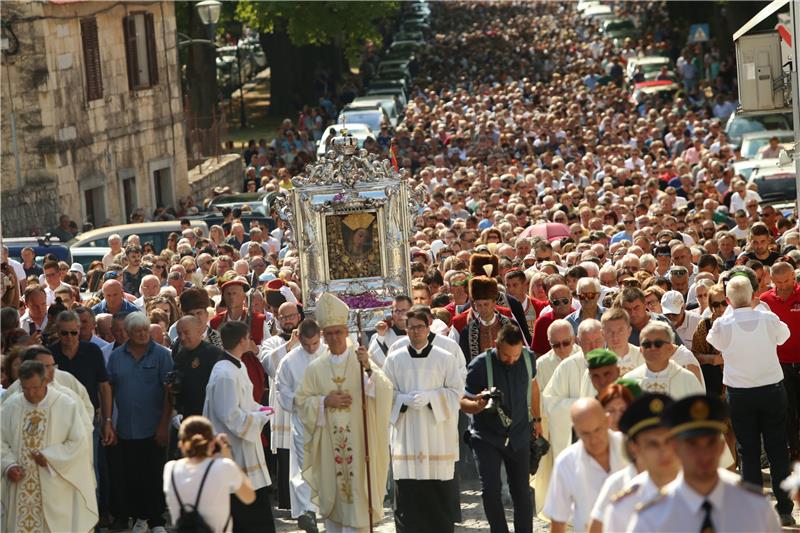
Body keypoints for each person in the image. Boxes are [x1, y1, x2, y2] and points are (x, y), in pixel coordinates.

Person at [295, 293, 394, 533]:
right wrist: (325, 401)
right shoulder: (315, 368)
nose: (333, 337)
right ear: (322, 336)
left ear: (346, 331)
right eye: (328, 333)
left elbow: (384, 390)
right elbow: (301, 401)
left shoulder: (360, 359)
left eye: (338, 332)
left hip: (360, 443)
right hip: (330, 445)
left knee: (359, 499)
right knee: (336, 501)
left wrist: (369, 367)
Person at [706, 275, 795, 524]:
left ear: (727, 300)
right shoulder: (767, 318)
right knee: (777, 449)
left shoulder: (725, 324)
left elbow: (715, 340)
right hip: (771, 391)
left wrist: (729, 311)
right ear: (754, 296)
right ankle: (784, 509)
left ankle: (754, 510)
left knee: (749, 452)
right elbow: (783, 336)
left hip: (742, 394)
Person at [629, 395, 782, 532]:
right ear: (675, 448)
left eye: (711, 443)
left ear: (722, 446)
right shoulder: (652, 518)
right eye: (692, 444)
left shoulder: (755, 507)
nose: (703, 454)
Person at [384, 306, 465, 533]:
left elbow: (457, 391)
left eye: (420, 327)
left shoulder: (445, 358)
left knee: (437, 495)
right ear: (406, 329)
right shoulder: (395, 359)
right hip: (407, 435)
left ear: (428, 327)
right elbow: (384, 393)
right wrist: (401, 399)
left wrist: (432, 398)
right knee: (408, 497)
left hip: (436, 434)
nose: (416, 332)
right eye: (411, 328)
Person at [1, 360, 98, 532]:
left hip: (55, 485)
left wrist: (50, 457)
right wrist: (9, 466)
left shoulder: (65, 405)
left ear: (45, 381)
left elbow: (78, 442)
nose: (30, 393)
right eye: (25, 388)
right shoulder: (11, 405)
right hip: (19, 484)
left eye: (35, 388)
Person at [461, 324, 535, 533]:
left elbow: (533, 386)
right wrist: (478, 405)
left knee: (522, 491)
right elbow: (463, 401)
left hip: (519, 434)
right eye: (506, 356)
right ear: (497, 345)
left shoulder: (529, 359)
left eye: (516, 355)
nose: (511, 360)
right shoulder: (480, 365)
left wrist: (535, 420)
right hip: (486, 437)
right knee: (491, 490)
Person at [204, 320, 275, 532]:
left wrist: (261, 409)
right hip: (234, 450)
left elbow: (245, 401)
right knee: (243, 510)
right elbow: (230, 415)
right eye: (248, 338)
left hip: (245, 448)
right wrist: (259, 419)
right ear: (242, 340)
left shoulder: (238, 364)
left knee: (256, 505)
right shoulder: (224, 373)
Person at [106, 312, 173, 533]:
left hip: (154, 427)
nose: (143, 334)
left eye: (146, 330)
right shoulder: (116, 357)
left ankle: (156, 520)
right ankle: (139, 516)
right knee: (131, 475)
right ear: (128, 333)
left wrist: (164, 425)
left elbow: (169, 393)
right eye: (138, 331)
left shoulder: (162, 355)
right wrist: (108, 422)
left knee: (154, 474)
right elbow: (109, 390)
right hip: (126, 428)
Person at [589, 393, 679, 533]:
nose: (664, 451)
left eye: (669, 441)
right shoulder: (622, 496)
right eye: (653, 444)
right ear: (634, 447)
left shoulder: (701, 487)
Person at [543, 397, 628, 533]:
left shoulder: (631, 449)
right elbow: (558, 522)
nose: (593, 440)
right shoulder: (566, 463)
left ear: (607, 421)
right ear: (575, 430)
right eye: (585, 434)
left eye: (597, 430)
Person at [163, 416, 256, 533]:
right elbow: (249, 497)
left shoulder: (170, 468)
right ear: (212, 443)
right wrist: (227, 455)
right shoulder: (224, 467)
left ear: (181, 443)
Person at [275, 319, 326, 532]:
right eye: (306, 344)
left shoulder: (331, 353)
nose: (311, 348)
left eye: (315, 343)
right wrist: (297, 400)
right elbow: (281, 389)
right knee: (306, 467)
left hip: (330, 420)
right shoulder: (289, 361)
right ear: (299, 338)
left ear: (320, 337)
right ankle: (308, 511)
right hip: (303, 420)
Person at [759, 261, 800, 461]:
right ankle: (792, 452)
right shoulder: (765, 300)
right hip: (779, 365)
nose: (784, 286)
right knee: (786, 410)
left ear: (794, 277)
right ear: (772, 281)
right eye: (779, 282)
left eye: (787, 281)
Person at [622, 321, 705, 398]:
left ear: (670, 348)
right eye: (646, 344)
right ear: (641, 350)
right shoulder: (630, 380)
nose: (652, 348)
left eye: (658, 344)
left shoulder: (687, 379)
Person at [170, 315, 224, 419]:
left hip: (209, 416)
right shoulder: (180, 355)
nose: (182, 337)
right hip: (186, 416)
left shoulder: (214, 354)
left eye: (186, 333)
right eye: (179, 333)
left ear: (199, 331)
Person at [458, 276, 516, 361]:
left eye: (486, 304)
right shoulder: (467, 332)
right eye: (479, 305)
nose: (483, 309)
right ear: (475, 305)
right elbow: (464, 362)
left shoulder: (511, 325)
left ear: (494, 303)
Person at [368, 295, 412, 366]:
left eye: (403, 310)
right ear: (392, 314)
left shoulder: (420, 333)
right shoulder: (380, 336)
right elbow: (374, 362)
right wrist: (381, 336)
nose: (400, 314)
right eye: (396, 311)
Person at [601, 307, 643, 375]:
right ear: (602, 334)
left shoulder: (643, 357)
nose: (615, 337)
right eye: (609, 331)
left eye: (620, 331)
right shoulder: (597, 364)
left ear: (629, 331)